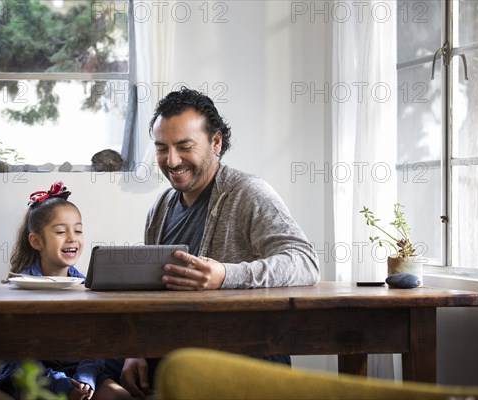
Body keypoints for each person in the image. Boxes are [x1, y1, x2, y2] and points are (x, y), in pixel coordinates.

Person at [109, 87, 320, 398]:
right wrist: (137, 349)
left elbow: (305, 263)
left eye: (184, 146)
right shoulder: (161, 206)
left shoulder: (249, 193)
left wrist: (225, 275)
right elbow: (151, 292)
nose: (172, 160)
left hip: (243, 355)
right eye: (161, 148)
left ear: (216, 142)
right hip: (177, 356)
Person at [0, 181, 131, 400]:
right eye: (61, 231)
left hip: (79, 371)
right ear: (36, 241)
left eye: (78, 230)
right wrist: (61, 384)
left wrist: (85, 380)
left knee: (119, 396)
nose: (72, 238)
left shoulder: (88, 287)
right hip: (37, 374)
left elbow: (96, 347)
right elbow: (20, 358)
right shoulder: (20, 288)